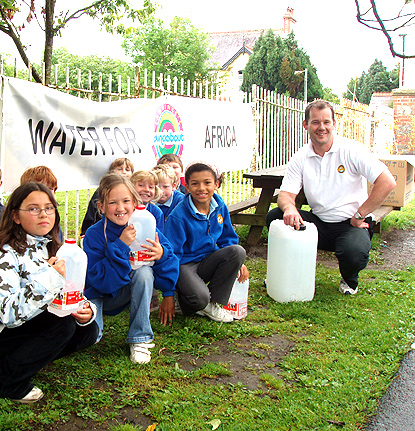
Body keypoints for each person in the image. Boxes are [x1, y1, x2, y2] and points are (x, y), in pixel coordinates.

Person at [0, 182, 98, 403]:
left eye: (49, 208)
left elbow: (69, 291)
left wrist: (85, 310)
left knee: (86, 330)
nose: (43, 214)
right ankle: (3, 379)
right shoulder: (6, 255)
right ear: (15, 216)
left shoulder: (51, 246)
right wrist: (51, 278)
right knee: (61, 326)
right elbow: (8, 314)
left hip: (25, 320)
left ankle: (18, 361)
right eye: (33, 208)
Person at [266, 99, 396, 295]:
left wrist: (361, 214)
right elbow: (285, 194)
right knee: (275, 217)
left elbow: (387, 182)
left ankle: (349, 279)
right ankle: (289, 272)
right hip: (319, 224)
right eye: (315, 122)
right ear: (305, 125)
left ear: (334, 124)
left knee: (354, 253)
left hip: (351, 224)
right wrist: (290, 208)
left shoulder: (352, 150)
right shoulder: (301, 156)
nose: (321, 127)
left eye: (326, 122)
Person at [83, 174, 179, 364]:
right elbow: (99, 281)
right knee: (90, 339)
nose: (120, 208)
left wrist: (161, 255)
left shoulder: (144, 226)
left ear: (135, 202)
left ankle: (140, 337)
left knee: (144, 272)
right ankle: (90, 325)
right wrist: (120, 245)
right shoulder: (94, 234)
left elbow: (170, 260)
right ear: (101, 207)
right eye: (113, 203)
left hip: (124, 292)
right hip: (100, 294)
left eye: (126, 201)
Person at [164, 162, 249, 322]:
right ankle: (187, 299)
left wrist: (240, 263)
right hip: (184, 265)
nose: (201, 188)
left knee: (237, 251)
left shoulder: (219, 206)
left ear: (216, 184)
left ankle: (213, 303)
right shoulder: (178, 216)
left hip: (208, 260)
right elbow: (171, 255)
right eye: (195, 184)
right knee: (199, 298)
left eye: (207, 183)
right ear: (186, 187)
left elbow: (227, 237)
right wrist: (168, 292)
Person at [80, 157, 134, 236]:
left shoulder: (139, 225)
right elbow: (90, 217)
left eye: (127, 169)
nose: (124, 172)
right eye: (120, 169)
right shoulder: (101, 192)